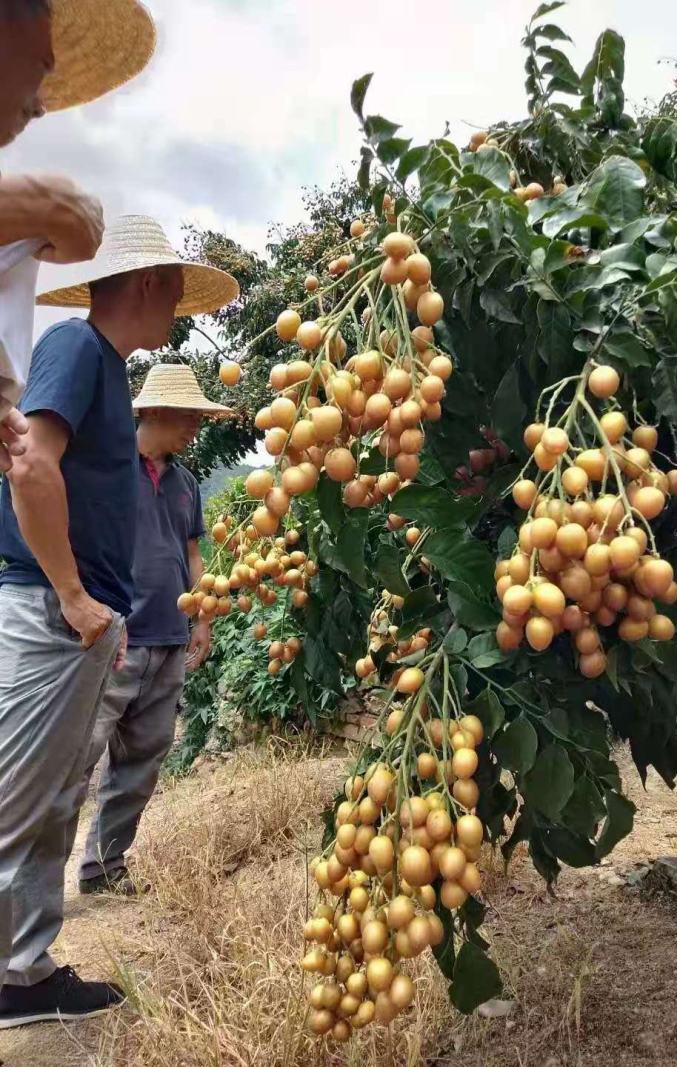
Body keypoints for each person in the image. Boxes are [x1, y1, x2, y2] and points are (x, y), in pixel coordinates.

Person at [0, 214, 239, 1028]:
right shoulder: (74, 350)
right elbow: (29, 462)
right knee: (19, 795)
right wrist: (70, 591)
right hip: (45, 608)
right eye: (176, 290)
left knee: (53, 797)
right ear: (148, 284)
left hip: (79, 618)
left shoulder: (100, 364)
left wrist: (97, 601)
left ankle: (23, 977)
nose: (180, 307)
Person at [76, 365, 233, 896]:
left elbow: (193, 554)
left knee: (141, 761)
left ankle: (104, 868)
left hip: (167, 637)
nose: (195, 427)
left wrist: (203, 618)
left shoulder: (186, 482)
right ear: (157, 412)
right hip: (112, 639)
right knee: (76, 760)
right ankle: (31, 880)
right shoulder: (108, 467)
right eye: (190, 417)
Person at [0, 0, 157, 472]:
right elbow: (34, 468)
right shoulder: (79, 348)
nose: (43, 104)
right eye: (45, 64)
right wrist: (39, 203)